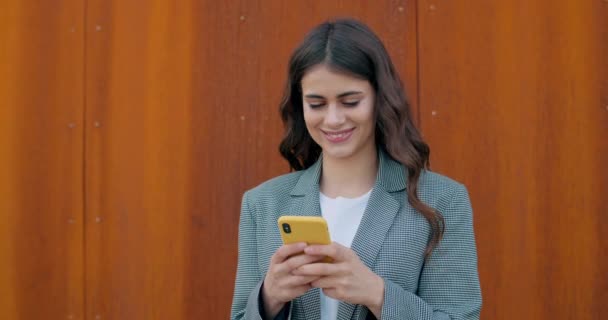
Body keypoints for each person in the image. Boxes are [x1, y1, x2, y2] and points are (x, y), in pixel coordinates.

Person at [231, 18, 481, 320]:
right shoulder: (263, 204)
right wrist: (268, 298)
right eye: (317, 104)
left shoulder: (442, 200)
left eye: (350, 102)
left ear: (380, 97)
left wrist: (377, 293)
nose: (333, 119)